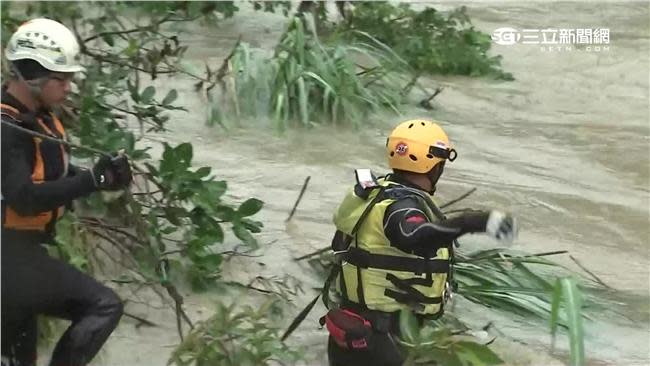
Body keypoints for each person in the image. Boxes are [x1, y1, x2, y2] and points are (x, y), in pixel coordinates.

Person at [324, 119, 518, 366]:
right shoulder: (402, 208)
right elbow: (416, 237)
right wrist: (476, 222)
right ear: (434, 166)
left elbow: (341, 245)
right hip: (379, 342)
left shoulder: (373, 195)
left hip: (350, 331)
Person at [1, 18, 132, 366]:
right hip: (9, 260)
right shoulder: (6, 128)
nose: (69, 88)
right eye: (62, 79)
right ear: (33, 75)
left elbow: (50, 175)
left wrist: (100, 177)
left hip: (18, 260)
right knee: (103, 305)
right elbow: (24, 198)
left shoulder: (33, 118)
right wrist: (92, 181)